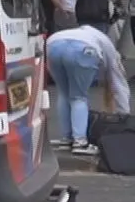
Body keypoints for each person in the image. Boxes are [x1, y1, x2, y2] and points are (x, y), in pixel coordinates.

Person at [47, 21, 130, 157]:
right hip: (83, 49)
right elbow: (118, 83)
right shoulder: (109, 48)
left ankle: (66, 139)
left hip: (53, 44)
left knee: (63, 93)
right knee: (78, 96)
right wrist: (124, 115)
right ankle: (80, 142)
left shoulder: (84, 33)